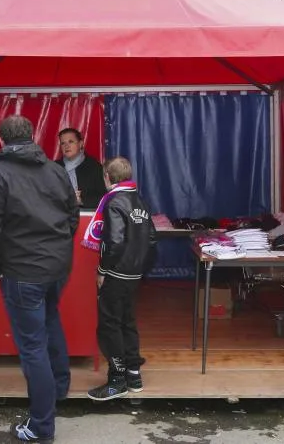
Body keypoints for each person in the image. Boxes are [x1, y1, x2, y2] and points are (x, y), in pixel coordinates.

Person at [0, 115, 79, 443]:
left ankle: (41, 426)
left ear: (1, 140)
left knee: (33, 346)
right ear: (32, 135)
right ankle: (58, 388)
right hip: (56, 267)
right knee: (50, 322)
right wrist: (59, 250)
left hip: (22, 271)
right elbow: (72, 215)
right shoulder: (55, 170)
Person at [86, 157, 158, 401]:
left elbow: (114, 242)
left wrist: (102, 270)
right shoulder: (140, 201)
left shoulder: (113, 201)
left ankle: (117, 380)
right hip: (134, 274)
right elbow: (152, 240)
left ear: (107, 176)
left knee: (109, 325)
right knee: (128, 322)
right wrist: (140, 267)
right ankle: (133, 375)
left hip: (116, 273)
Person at [55, 127, 107, 209]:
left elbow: (105, 197)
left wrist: (81, 201)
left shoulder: (94, 167)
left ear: (81, 144)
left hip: (86, 214)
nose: (66, 146)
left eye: (70, 141)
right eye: (63, 143)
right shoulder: (54, 168)